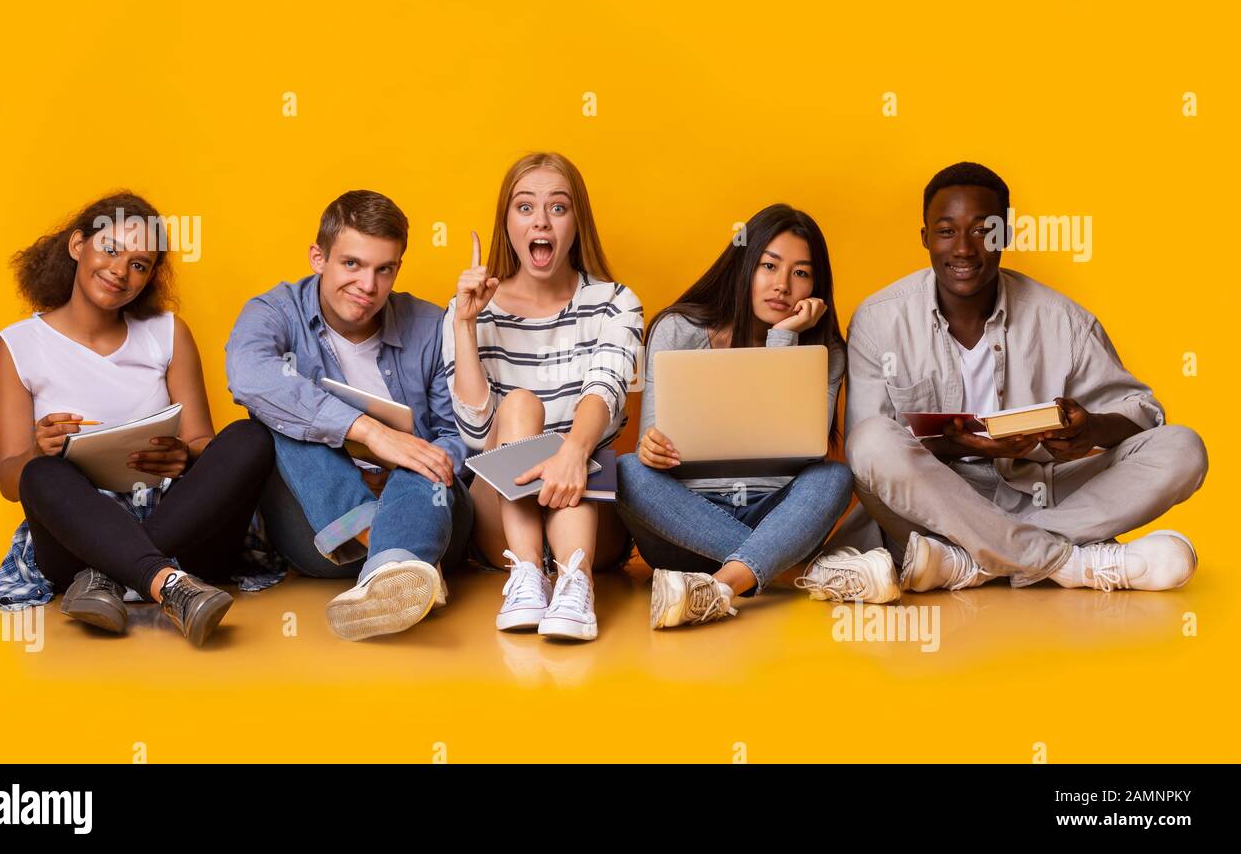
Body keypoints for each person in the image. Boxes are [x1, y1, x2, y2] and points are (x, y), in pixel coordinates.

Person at [845, 162, 1208, 593]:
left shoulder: (1063, 320)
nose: (963, 248)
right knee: (869, 441)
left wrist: (1090, 427)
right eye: (946, 231)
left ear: (1005, 235)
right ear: (925, 236)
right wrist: (958, 441)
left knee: (1183, 447)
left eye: (982, 230)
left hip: (1039, 491)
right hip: (935, 504)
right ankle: (1066, 561)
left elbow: (1143, 414)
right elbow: (869, 454)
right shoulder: (879, 319)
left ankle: (971, 561)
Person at [0, 192, 275, 646]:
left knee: (250, 436)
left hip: (183, 529)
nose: (121, 271)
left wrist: (185, 455)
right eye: (110, 249)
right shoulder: (17, 344)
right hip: (76, 540)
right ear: (77, 245)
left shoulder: (167, 332)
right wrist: (36, 451)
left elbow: (205, 441)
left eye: (139, 264)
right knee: (42, 471)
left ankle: (113, 575)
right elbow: (9, 480)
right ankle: (170, 586)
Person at [616, 203, 896, 630]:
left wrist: (784, 338)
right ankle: (806, 574)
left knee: (834, 477)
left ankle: (719, 587)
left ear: (815, 287)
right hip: (685, 526)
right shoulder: (678, 328)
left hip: (773, 513)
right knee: (627, 470)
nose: (782, 285)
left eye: (801, 273)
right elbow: (651, 442)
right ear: (744, 265)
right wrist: (651, 448)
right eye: (769, 265)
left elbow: (798, 451)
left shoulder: (826, 353)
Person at [227, 190, 471, 640]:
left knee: (427, 454)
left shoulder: (431, 324)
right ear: (318, 257)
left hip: (429, 512)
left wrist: (403, 464)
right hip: (323, 533)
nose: (368, 286)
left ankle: (395, 560)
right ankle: (390, 556)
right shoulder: (274, 311)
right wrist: (370, 434)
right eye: (352, 264)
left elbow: (457, 433)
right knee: (277, 417)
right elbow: (247, 375)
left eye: (385, 270)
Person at [444, 152, 643, 642]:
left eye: (558, 208)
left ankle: (576, 582)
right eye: (525, 207)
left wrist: (573, 453)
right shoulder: (470, 310)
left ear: (577, 220)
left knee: (570, 451)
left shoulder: (616, 302)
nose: (542, 221)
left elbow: (606, 387)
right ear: (507, 221)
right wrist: (466, 326)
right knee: (520, 406)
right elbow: (473, 434)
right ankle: (528, 577)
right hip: (501, 523)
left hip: (591, 509)